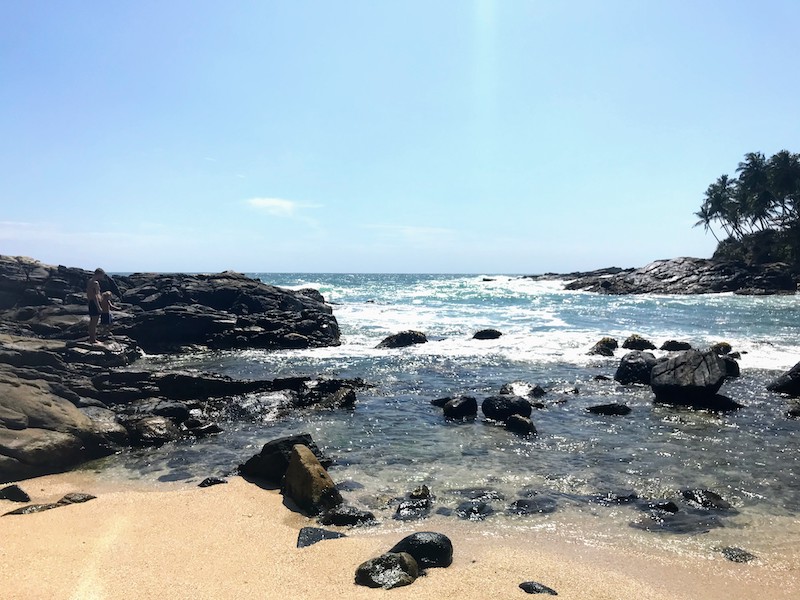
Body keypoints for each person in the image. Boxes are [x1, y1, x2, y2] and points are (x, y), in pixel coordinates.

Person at [86, 268, 106, 343]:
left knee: (92, 322)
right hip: (94, 303)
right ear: (99, 274)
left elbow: (89, 294)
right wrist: (98, 307)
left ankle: (91, 338)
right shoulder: (95, 283)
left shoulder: (90, 281)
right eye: (102, 275)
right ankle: (93, 339)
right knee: (94, 322)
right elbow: (95, 296)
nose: (103, 277)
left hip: (90, 302)